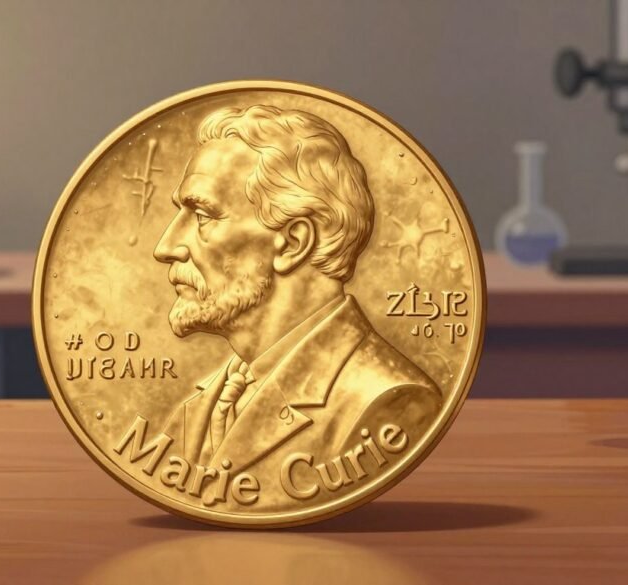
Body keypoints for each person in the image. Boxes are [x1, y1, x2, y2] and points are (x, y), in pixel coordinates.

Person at [153, 104, 441, 479]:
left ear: (292, 243)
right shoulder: (196, 410)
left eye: (203, 217)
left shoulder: (390, 399)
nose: (165, 246)